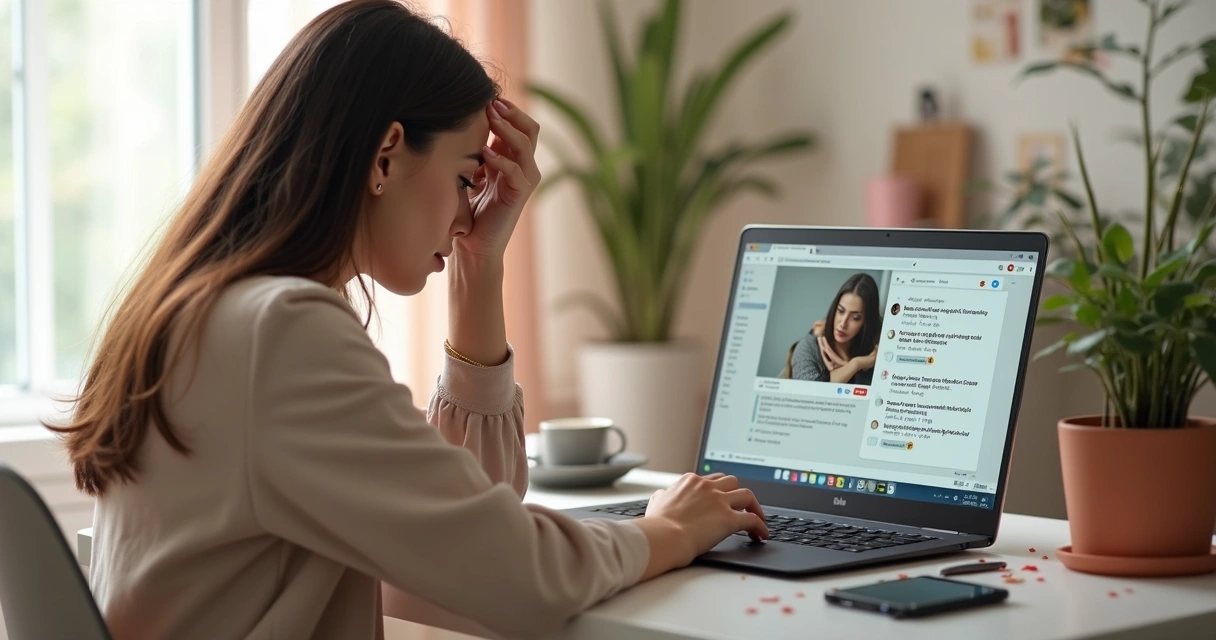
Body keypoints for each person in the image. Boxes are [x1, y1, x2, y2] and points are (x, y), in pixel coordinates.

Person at [47, 3, 767, 639]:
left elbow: (456, 525)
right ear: (386, 154)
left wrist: (478, 270)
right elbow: (517, 577)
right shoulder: (282, 332)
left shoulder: (212, 309)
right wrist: (666, 530)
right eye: (463, 178)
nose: (465, 217)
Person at [788, 273, 881, 385]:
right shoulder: (808, 347)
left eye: (855, 317)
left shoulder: (872, 357)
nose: (843, 323)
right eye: (841, 311)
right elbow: (809, 392)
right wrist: (855, 365)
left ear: (866, 322)